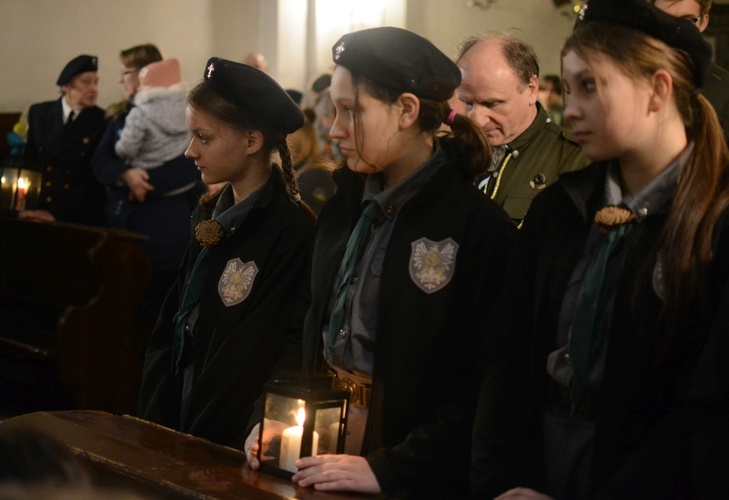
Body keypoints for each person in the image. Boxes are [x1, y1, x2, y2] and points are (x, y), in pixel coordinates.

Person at [473, 0, 729, 498]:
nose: (570, 107)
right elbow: (508, 360)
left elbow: (715, 412)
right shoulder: (559, 209)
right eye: (569, 85)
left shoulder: (727, 225)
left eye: (590, 87)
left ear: (657, 90)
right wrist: (499, 481)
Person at [245, 26, 516, 498]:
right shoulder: (343, 206)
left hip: (409, 475)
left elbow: (483, 386)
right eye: (334, 110)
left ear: (407, 111)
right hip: (319, 455)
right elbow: (305, 331)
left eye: (352, 111)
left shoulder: (475, 227)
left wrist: (390, 470)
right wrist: (272, 421)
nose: (333, 129)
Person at [138, 57, 315, 450]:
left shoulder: (289, 230)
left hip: (233, 425)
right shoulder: (207, 212)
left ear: (252, 141)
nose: (189, 151)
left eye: (205, 137)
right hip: (180, 400)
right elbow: (179, 318)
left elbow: (284, 343)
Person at [92, 44, 199, 322]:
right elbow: (100, 161)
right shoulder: (121, 114)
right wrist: (125, 175)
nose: (120, 80)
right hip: (121, 223)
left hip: (163, 227)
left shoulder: (184, 114)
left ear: (144, 74)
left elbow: (191, 168)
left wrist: (143, 180)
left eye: (125, 72)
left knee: (157, 314)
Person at [456, 35, 588, 225]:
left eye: (492, 103)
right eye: (467, 103)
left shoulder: (573, 160)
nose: (477, 120)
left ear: (531, 90)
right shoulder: (451, 153)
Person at [652, 0, 729, 172]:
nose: (675, 30)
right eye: (664, 18)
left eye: (687, 21)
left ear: (703, 22)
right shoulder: (630, 80)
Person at [22, 54, 105, 225]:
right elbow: (29, 162)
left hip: (77, 213)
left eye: (96, 82)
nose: (93, 89)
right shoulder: (39, 113)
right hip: (37, 206)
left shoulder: (103, 120)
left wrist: (56, 214)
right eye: (85, 82)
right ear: (66, 85)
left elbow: (91, 178)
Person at [112, 58, 194, 227]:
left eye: (144, 84)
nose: (140, 88)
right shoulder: (189, 110)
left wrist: (119, 147)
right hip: (179, 193)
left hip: (141, 182)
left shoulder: (140, 112)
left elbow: (127, 150)